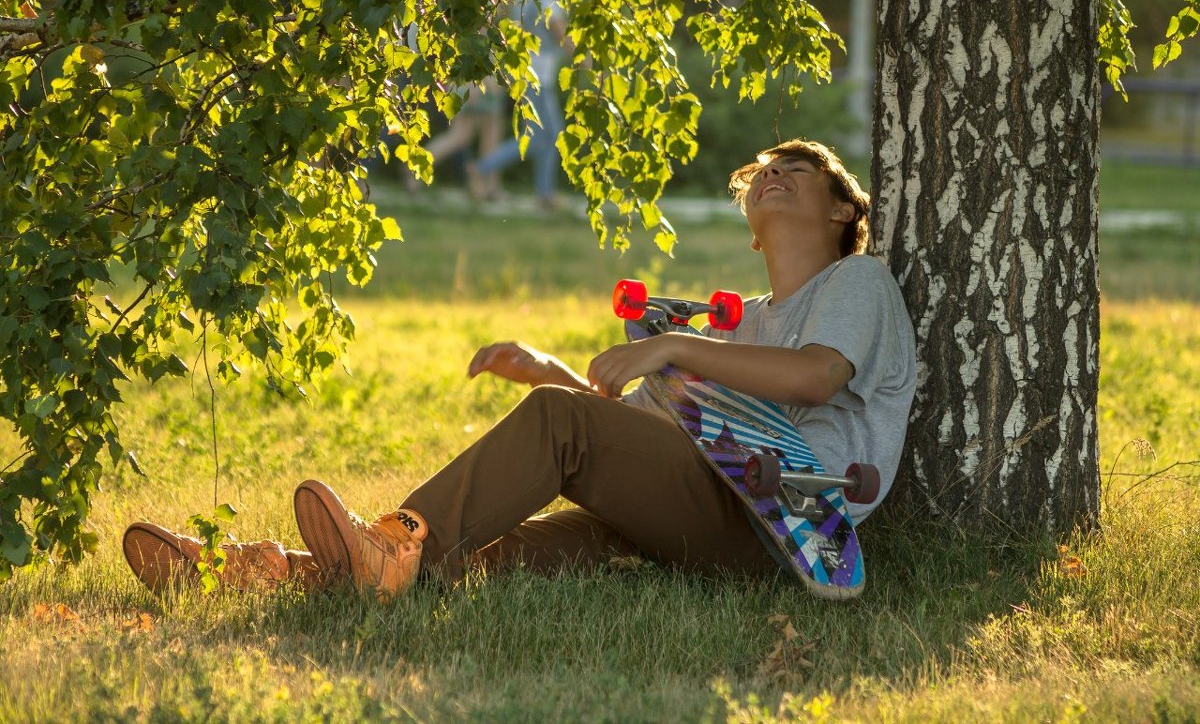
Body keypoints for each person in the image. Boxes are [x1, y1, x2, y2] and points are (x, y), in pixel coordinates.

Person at [122, 139, 917, 599]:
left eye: (798, 170)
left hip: (777, 532)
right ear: (750, 231)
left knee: (553, 433)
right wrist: (551, 374)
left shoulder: (857, 282)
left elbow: (815, 377)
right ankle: (260, 573)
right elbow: (636, 435)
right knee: (490, 550)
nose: (772, 175)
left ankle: (389, 546)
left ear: (846, 211)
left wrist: (667, 346)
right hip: (693, 512)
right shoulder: (746, 319)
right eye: (762, 174)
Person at [469, 0, 568, 209]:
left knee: (545, 136)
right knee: (542, 136)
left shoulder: (524, 0)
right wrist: (589, 63)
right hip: (538, 78)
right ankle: (482, 167)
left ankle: (544, 194)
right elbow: (562, 36)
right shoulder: (547, 3)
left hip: (527, 74)